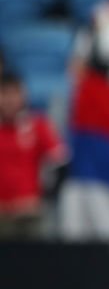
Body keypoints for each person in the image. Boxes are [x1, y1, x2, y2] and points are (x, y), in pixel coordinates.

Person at [0, 71, 66, 238]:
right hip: (2, 216)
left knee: (36, 261)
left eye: (14, 93)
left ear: (23, 95)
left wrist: (44, 197)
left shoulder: (37, 126)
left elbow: (60, 163)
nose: (9, 100)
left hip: (31, 214)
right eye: (4, 93)